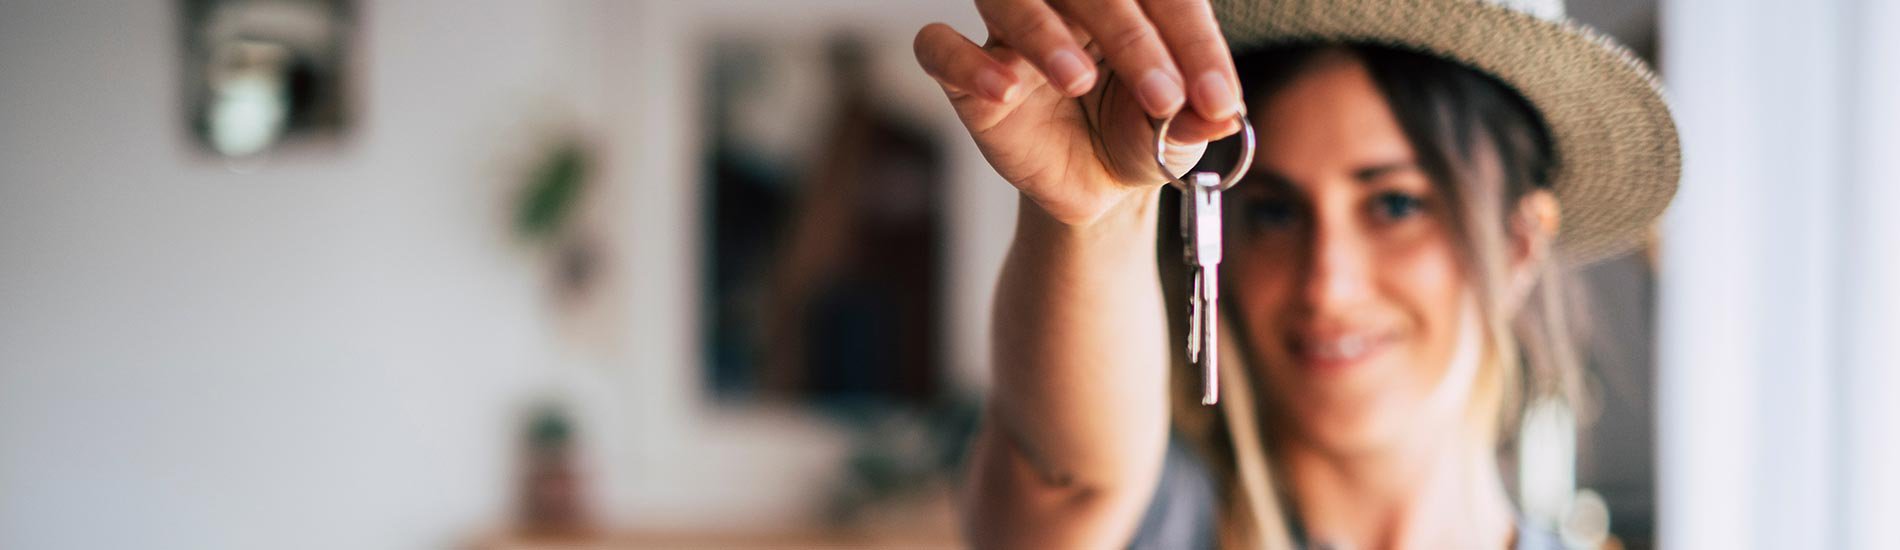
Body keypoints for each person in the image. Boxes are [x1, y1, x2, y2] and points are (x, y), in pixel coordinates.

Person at [911, 0, 1679, 548]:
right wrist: (1095, 212)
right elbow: (1067, 480)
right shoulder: (1157, 523)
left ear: (1518, 243)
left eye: (1396, 205)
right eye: (1275, 213)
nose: (1327, 284)